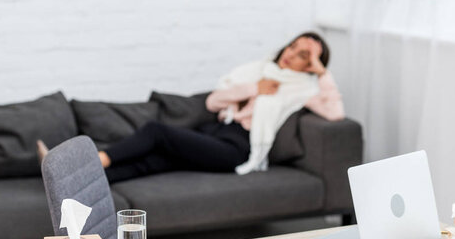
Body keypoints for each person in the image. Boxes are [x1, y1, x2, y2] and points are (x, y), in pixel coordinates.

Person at [96, 32, 345, 183]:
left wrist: (322, 72)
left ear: (310, 65)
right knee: (157, 160)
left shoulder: (303, 89)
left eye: (304, 55)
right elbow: (213, 102)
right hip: (214, 129)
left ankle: (98, 161)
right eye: (293, 46)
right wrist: (255, 88)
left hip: (235, 147)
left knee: (156, 131)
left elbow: (336, 113)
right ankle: (93, 179)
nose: (291, 54)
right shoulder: (258, 70)